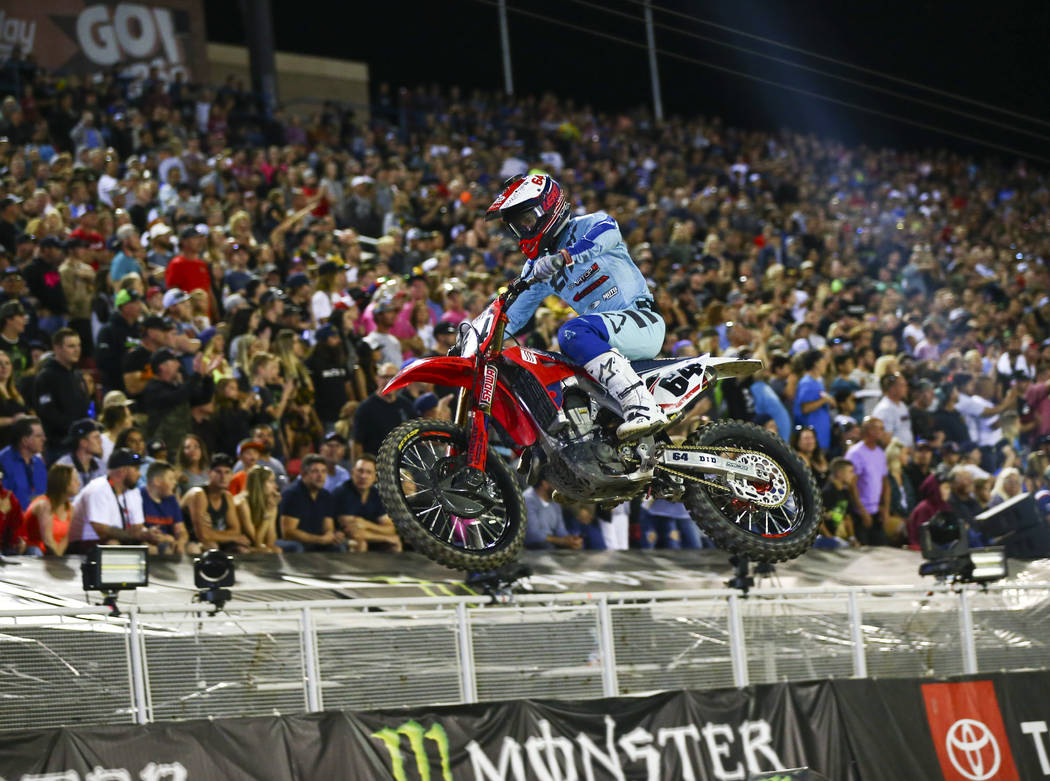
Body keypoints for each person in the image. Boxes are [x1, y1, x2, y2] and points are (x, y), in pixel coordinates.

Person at [488, 173, 667, 439]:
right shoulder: (539, 266)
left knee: (572, 332)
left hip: (640, 320)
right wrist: (474, 335)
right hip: (604, 338)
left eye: (526, 221)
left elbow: (603, 235)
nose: (523, 231)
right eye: (516, 227)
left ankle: (643, 407)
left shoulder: (593, 223)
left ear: (548, 207)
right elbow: (510, 315)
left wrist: (564, 257)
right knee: (551, 367)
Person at [67, 448, 158, 553]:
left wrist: (148, 533)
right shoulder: (98, 489)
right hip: (82, 543)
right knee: (112, 545)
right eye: (136, 469)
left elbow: (137, 527)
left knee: (150, 548)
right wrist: (136, 535)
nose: (140, 474)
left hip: (116, 539)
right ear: (123, 471)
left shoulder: (133, 491)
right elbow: (102, 531)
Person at [33, 328, 90, 458]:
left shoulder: (77, 374)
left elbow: (85, 404)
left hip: (81, 444)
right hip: (59, 446)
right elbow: (48, 412)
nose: (77, 350)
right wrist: (75, 429)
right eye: (71, 346)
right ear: (57, 348)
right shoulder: (46, 377)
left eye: (78, 345)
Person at [181, 453, 251, 553]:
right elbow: (202, 535)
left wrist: (231, 537)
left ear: (232, 475)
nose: (223, 477)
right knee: (211, 547)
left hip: (214, 541)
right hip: (189, 542)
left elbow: (236, 531)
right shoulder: (198, 494)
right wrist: (231, 537)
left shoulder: (227, 497)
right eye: (218, 472)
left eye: (227, 472)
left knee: (242, 549)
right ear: (209, 473)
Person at [278, 453, 347, 551]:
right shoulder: (292, 494)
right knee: (297, 547)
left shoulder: (326, 496)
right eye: (315, 471)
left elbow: (328, 527)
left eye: (323, 471)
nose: (320, 475)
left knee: (338, 547)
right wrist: (320, 539)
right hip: (293, 543)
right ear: (303, 474)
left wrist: (331, 535)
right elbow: (288, 533)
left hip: (315, 542)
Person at [351, 362, 416, 462]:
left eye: (392, 377)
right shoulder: (365, 408)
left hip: (402, 465)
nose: (389, 381)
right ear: (377, 379)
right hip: (375, 464)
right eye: (385, 377)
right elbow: (357, 442)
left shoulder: (406, 405)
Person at [333, 454, 400, 551]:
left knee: (394, 546)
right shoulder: (342, 492)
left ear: (375, 477)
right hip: (341, 538)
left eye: (369, 472)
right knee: (360, 544)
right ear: (352, 473)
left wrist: (367, 524)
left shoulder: (377, 493)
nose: (363, 476)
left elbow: (391, 529)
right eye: (360, 471)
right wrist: (386, 537)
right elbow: (353, 532)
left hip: (370, 536)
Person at [234, 464, 303, 553]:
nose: (276, 486)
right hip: (239, 545)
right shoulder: (242, 503)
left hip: (255, 544)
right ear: (259, 484)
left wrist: (272, 510)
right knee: (269, 551)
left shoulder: (269, 502)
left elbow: (271, 542)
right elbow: (256, 541)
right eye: (271, 481)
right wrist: (268, 515)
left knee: (277, 549)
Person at [845, 417, 890, 546]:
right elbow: (851, 484)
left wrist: (885, 508)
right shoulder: (855, 453)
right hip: (859, 513)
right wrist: (862, 510)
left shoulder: (880, 453)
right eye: (879, 428)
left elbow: (885, 482)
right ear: (869, 430)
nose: (882, 431)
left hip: (876, 511)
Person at [140, 460, 196, 555]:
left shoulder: (171, 499)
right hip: (147, 542)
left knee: (193, 548)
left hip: (168, 540)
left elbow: (181, 530)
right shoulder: (138, 497)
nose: (174, 483)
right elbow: (138, 530)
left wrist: (180, 542)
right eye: (171, 479)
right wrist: (168, 539)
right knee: (156, 549)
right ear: (157, 481)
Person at [24, 463, 80, 555]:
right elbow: (47, 540)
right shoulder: (44, 505)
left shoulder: (71, 508)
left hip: (53, 554)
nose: (79, 483)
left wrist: (59, 557)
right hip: (33, 550)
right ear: (63, 482)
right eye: (75, 480)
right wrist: (57, 562)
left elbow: (65, 539)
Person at [0, 416, 47, 510]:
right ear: (25, 440)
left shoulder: (39, 463)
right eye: (39, 436)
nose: (44, 439)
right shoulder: (3, 462)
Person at [523, 476, 582, 550]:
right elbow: (532, 535)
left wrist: (571, 540)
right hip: (532, 551)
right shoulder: (528, 499)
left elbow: (561, 531)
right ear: (545, 484)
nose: (560, 487)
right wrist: (562, 541)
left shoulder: (555, 500)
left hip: (551, 549)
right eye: (557, 483)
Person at [793, 349, 833, 451]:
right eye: (823, 361)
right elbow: (805, 408)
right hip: (812, 437)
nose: (825, 364)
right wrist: (824, 400)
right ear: (816, 363)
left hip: (821, 435)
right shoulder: (807, 382)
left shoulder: (818, 382)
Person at [55, 417, 106, 490]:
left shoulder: (101, 465)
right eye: (96, 437)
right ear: (83, 442)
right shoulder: (64, 467)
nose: (100, 441)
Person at [820, 458, 858, 545]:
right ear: (840, 474)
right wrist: (831, 539)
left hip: (837, 538)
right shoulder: (827, 492)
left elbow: (847, 517)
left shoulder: (845, 492)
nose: (853, 475)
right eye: (850, 472)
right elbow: (818, 520)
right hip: (823, 540)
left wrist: (852, 538)